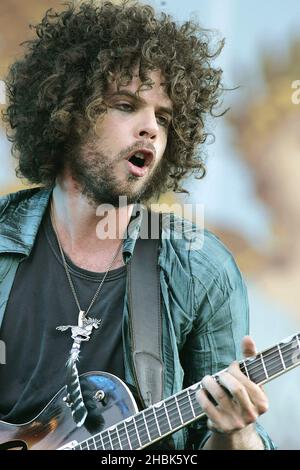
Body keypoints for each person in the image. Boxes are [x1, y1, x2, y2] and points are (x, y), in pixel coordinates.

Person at [0, 0, 275, 450]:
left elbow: (225, 440)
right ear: (67, 113)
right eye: (126, 105)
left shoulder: (201, 268)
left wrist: (237, 431)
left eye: (164, 117)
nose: (151, 128)